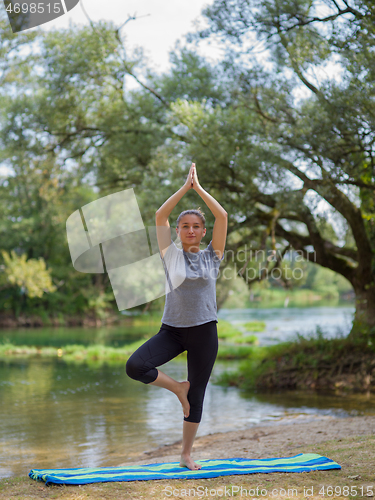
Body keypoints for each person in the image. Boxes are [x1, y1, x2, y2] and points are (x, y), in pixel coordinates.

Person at [126, 162, 227, 470]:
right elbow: (160, 216)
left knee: (197, 395)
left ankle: (185, 454)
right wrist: (185, 188)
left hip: (204, 332)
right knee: (135, 366)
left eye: (196, 226)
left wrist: (200, 189)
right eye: (185, 226)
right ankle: (177, 388)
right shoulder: (169, 254)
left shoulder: (213, 255)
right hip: (171, 331)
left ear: (204, 231)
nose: (191, 230)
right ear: (179, 231)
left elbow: (222, 216)